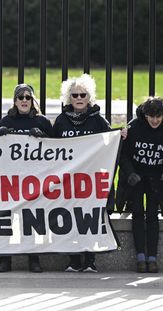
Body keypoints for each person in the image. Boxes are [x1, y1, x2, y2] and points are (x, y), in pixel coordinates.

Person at [51, 74, 111, 273]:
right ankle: (74, 259)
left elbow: (110, 144)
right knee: (70, 217)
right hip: (68, 180)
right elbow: (51, 148)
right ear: (69, 97)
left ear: (89, 97)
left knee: (90, 218)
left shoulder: (99, 121)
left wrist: (121, 136)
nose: (78, 98)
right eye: (74, 94)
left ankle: (90, 259)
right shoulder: (61, 121)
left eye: (83, 95)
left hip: (91, 180)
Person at [0, 83, 52, 273]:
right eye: (21, 97)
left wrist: (43, 136)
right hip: (9, 178)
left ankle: (33, 259)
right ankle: (5, 259)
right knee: (5, 219)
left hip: (33, 178)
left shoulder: (42, 121)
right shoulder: (6, 120)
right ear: (15, 101)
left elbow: (56, 148)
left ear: (33, 100)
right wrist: (0, 135)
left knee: (30, 220)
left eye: (28, 97)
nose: (25, 100)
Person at [119, 97, 163, 273]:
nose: (154, 120)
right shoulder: (134, 126)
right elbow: (123, 153)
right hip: (136, 178)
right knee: (137, 214)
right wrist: (130, 173)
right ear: (145, 115)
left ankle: (152, 257)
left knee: (153, 216)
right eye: (151, 116)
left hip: (156, 180)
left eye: (158, 116)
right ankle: (140, 257)